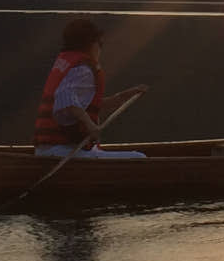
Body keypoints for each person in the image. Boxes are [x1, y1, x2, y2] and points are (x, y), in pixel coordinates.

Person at [34, 17, 149, 159]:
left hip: (55, 149)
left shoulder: (69, 64)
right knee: (139, 158)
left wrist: (126, 95)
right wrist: (90, 125)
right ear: (90, 44)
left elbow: (87, 105)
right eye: (100, 43)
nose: (100, 48)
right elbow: (66, 99)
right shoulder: (83, 69)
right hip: (62, 151)